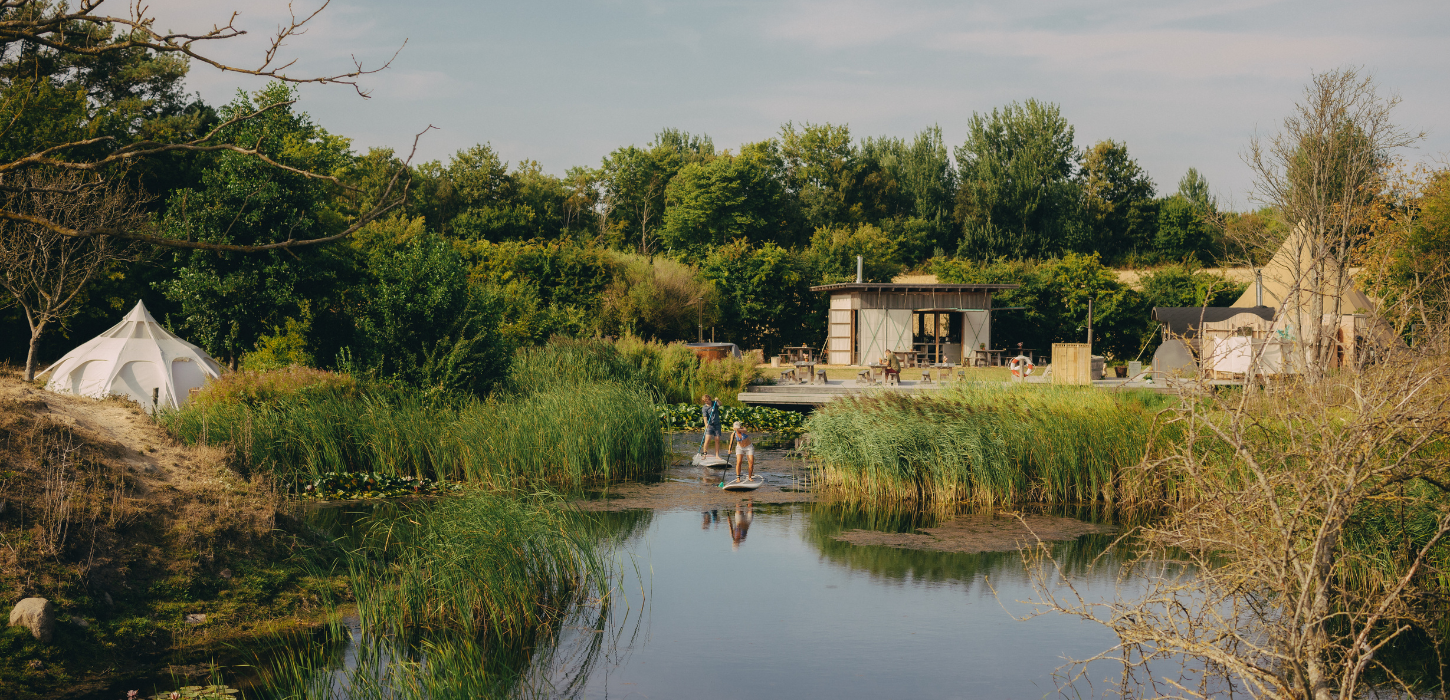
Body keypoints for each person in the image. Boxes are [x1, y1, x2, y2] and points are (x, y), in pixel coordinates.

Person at [700, 394, 722, 458]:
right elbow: (705, 417)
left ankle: (717, 455)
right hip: (710, 425)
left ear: (709, 399)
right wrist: (706, 424)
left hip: (717, 424)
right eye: (704, 401)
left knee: (717, 440)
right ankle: (704, 454)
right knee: (707, 440)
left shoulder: (714, 403)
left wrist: (718, 400)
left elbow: (720, 404)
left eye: (707, 400)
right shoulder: (704, 408)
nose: (706, 402)